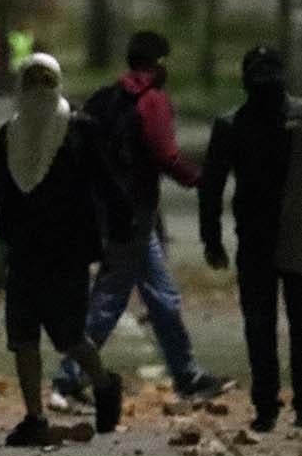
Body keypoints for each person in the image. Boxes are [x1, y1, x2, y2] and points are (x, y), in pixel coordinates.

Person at [55, 30, 229, 401]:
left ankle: (186, 374)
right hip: (132, 213)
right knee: (109, 299)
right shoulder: (152, 102)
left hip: (112, 209)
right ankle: (68, 377)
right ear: (159, 63)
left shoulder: (107, 97)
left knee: (162, 295)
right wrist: (201, 178)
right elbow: (166, 155)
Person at [0, 53, 124, 445]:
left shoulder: (80, 130)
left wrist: (117, 236)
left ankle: (103, 385)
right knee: (23, 337)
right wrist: (2, 248)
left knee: (68, 336)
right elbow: (5, 196)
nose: (38, 92)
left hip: (67, 251)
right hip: (23, 250)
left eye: (44, 82)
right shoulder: (8, 135)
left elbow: (106, 184)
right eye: (31, 83)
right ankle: (36, 417)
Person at [200, 46, 301, 431]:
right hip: (294, 234)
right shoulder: (296, 116)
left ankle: (266, 405)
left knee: (260, 325)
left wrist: (211, 238)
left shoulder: (232, 124)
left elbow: (211, 186)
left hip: (255, 237)